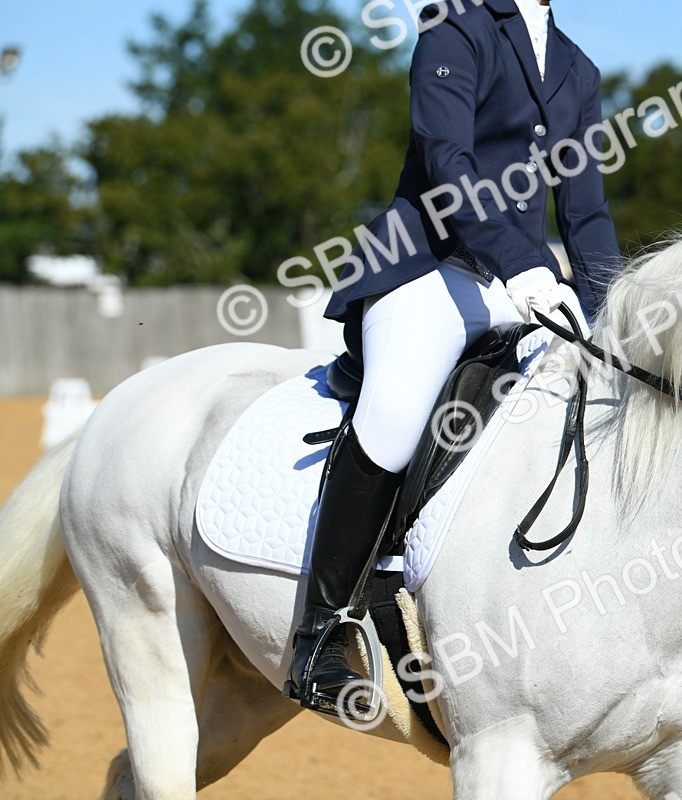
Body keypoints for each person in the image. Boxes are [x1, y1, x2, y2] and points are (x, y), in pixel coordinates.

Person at [284, 0, 621, 711]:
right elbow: (448, 162)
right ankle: (319, 631)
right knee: (400, 411)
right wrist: (525, 266)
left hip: (522, 281)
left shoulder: (578, 69)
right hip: (426, 269)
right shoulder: (455, 27)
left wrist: (611, 315)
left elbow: (586, 211)